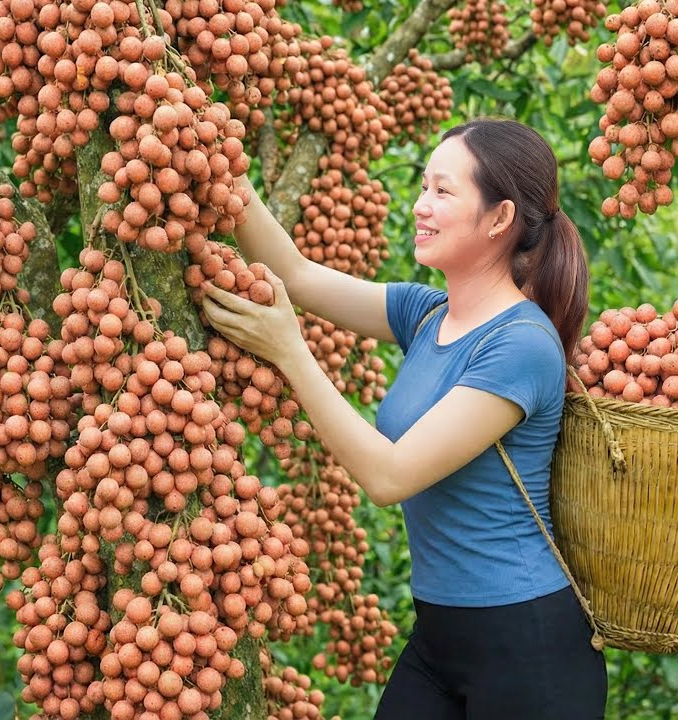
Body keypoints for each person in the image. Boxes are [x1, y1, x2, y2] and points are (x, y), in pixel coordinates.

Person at [200, 118, 607, 719]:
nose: (420, 206)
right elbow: (298, 274)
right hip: (441, 634)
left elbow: (389, 478)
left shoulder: (521, 345)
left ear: (499, 219)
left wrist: (290, 350)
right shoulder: (426, 314)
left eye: (443, 192)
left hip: (527, 641)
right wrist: (210, 147)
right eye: (423, 187)